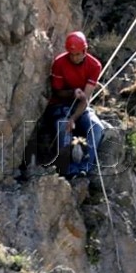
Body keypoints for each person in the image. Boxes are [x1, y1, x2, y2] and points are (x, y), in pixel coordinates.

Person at [42, 31, 105, 179]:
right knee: (63, 126)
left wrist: (74, 117)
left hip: (81, 107)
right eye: (72, 54)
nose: (75, 58)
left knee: (96, 128)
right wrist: (72, 93)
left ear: (85, 50)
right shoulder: (59, 63)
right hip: (59, 106)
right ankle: (66, 168)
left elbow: (86, 98)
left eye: (78, 54)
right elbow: (57, 92)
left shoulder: (94, 66)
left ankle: (85, 166)